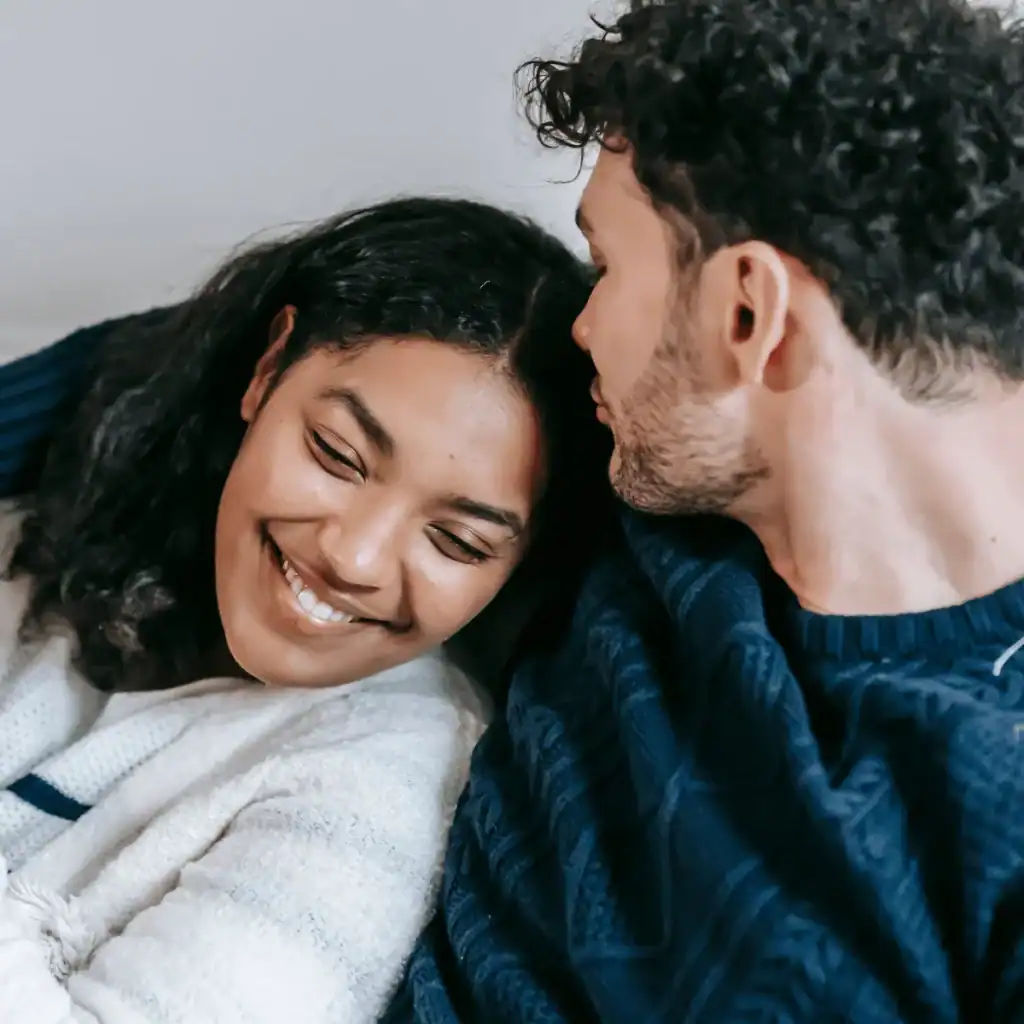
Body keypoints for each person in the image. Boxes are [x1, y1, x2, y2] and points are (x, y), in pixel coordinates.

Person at [383, 1, 1024, 1021]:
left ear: (746, 314)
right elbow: (247, 358)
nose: (581, 323)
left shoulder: (992, 793)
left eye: (604, 267)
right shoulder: (637, 485)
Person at [0, 196, 609, 1022]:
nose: (352, 557)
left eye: (458, 542)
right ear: (267, 369)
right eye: (338, 455)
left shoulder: (380, 782)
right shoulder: (46, 535)